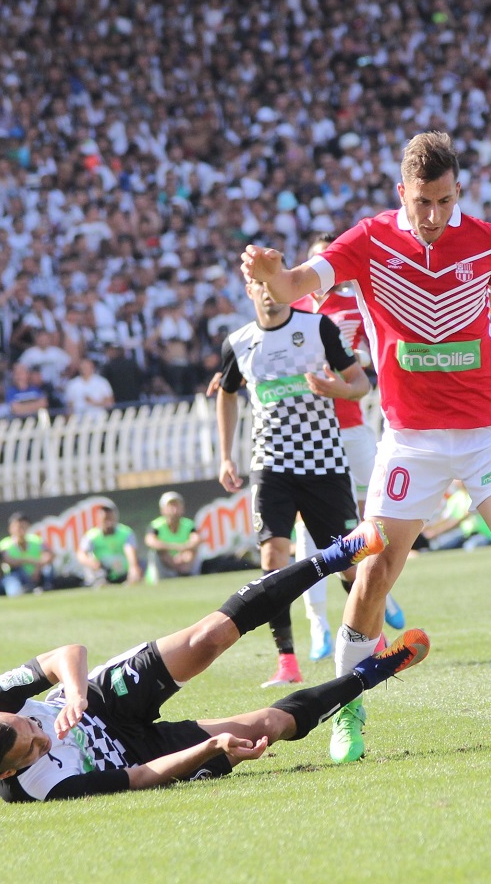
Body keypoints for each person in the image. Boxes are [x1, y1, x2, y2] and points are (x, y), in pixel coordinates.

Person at [240, 130, 491, 762]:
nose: (433, 217)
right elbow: (297, 284)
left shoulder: (483, 238)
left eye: (446, 201)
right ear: (402, 191)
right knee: (374, 573)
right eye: (423, 202)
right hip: (412, 440)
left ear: (459, 192)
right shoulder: (368, 239)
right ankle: (348, 704)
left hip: (489, 429)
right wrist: (273, 277)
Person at [0, 521, 430, 802]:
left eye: (33, 728)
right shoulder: (38, 789)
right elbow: (141, 777)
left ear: (7, 714)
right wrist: (209, 750)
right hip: (137, 754)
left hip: (102, 701)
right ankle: (372, 672)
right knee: (268, 726)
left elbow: (67, 655)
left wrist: (78, 694)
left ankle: (334, 555)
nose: (44, 737)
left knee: (208, 638)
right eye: (33, 749)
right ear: (6, 771)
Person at [217, 277, 371, 688]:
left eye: (274, 283)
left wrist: (338, 388)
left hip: (324, 461)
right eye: (258, 285)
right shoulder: (239, 342)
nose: (267, 292)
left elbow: (361, 383)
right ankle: (287, 661)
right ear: (249, 291)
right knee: (273, 560)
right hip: (272, 464)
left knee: (347, 563)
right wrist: (227, 455)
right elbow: (227, 393)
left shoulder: (318, 327)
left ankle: (367, 635)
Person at [290, 233, 406, 661]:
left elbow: (373, 364)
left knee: (374, 514)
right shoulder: (293, 310)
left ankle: (378, 589)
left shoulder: (352, 307)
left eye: (329, 263)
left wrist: (348, 371)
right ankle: (317, 623)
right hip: (308, 432)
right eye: (315, 263)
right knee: (307, 526)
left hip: (352, 425)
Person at [76, 500, 143, 586]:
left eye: (110, 518)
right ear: (98, 519)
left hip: (123, 571)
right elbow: (81, 554)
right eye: (105, 519)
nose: (108, 522)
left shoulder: (125, 532)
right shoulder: (92, 536)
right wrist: (92, 562)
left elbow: (130, 551)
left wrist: (133, 567)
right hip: (103, 572)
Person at [144, 491, 203, 583]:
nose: (174, 509)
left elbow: (196, 540)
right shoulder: (156, 526)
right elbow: (150, 541)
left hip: (184, 560)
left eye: (177, 505)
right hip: (165, 564)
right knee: (159, 552)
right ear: (162, 509)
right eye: (170, 506)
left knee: (193, 551)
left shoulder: (189, 525)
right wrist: (175, 548)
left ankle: (188, 576)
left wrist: (183, 552)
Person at [0, 512, 55, 595]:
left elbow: (49, 555)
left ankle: (46, 586)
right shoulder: (5, 544)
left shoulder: (35, 540)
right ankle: (23, 590)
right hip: (18, 576)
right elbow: (9, 560)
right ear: (10, 529)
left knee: (48, 568)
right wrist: (30, 561)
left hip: (37, 574)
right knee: (14, 575)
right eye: (18, 527)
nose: (21, 530)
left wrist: (38, 568)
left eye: (24, 526)